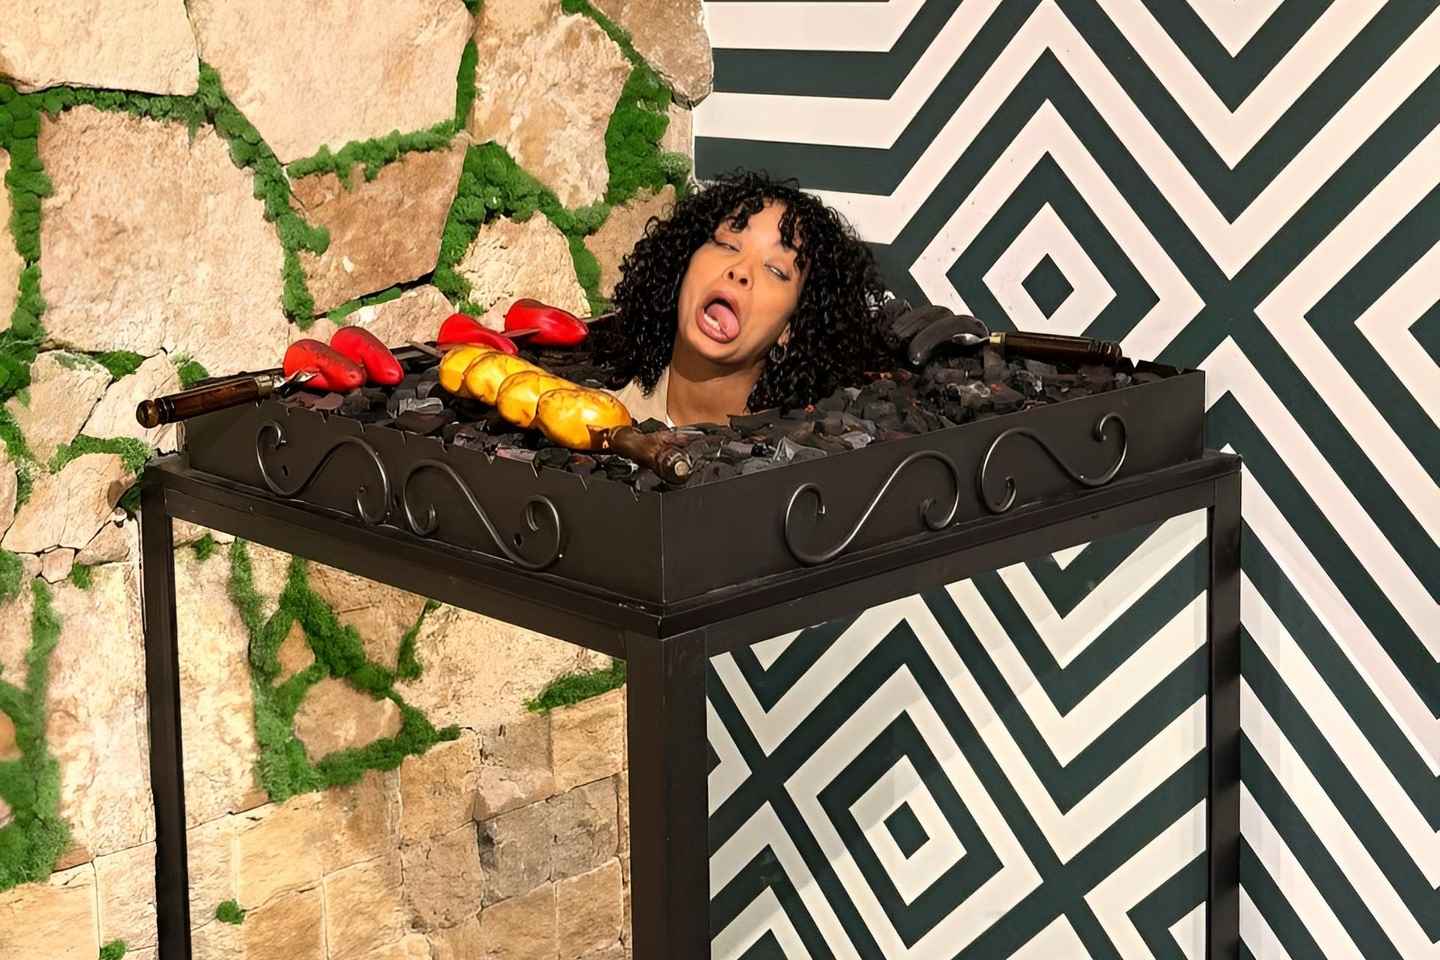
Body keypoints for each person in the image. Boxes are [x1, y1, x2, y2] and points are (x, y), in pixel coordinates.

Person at [596, 170, 889, 426]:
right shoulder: (591, 422)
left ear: (790, 329)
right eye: (728, 244)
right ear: (683, 265)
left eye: (776, 270)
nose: (741, 271)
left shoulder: (801, 456)